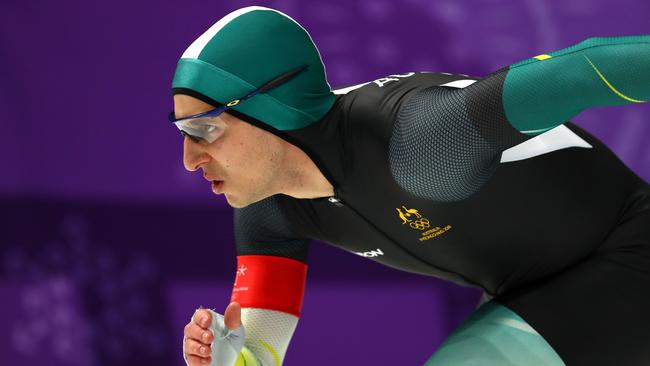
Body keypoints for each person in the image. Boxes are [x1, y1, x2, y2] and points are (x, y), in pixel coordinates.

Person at [170, 6, 650, 366]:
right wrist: (230, 360)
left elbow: (587, 69)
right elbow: (257, 347)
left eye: (204, 129)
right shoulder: (268, 207)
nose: (190, 160)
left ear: (270, 109)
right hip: (537, 296)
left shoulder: (417, 142)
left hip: (627, 247)